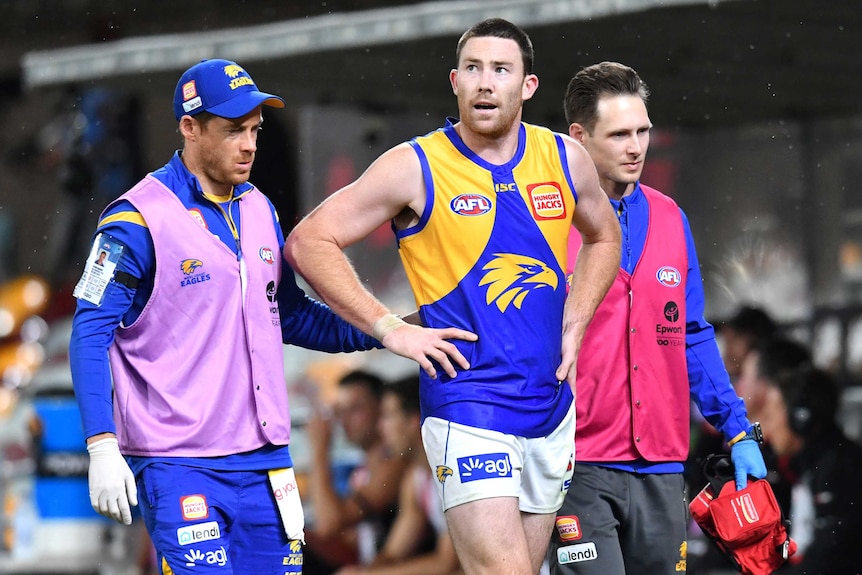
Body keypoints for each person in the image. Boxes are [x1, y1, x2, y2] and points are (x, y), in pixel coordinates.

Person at [285, 18, 621, 575]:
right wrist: (389, 327)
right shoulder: (415, 165)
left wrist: (577, 319)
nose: (486, 83)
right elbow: (309, 241)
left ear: (527, 87)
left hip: (551, 406)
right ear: (455, 82)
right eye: (473, 69)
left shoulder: (565, 158)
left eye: (500, 70)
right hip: (467, 403)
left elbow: (605, 236)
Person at [68, 59, 392, 574]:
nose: (249, 145)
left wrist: (389, 330)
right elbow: (88, 332)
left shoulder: (260, 207)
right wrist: (101, 444)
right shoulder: (133, 220)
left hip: (267, 463)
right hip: (179, 464)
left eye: (256, 131)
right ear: (189, 128)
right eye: (234, 130)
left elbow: (291, 316)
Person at [548, 61, 767, 575]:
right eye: (619, 134)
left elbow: (691, 334)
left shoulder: (671, 216)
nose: (636, 147)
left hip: (664, 470)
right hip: (577, 466)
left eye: (643, 130)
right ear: (578, 137)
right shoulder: (546, 221)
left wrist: (737, 431)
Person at [336, 374, 461, 575]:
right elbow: (393, 553)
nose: (380, 427)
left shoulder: (451, 473)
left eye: (387, 416)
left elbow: (446, 564)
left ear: (414, 421)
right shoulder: (417, 478)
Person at [304, 370, 409, 573]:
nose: (344, 420)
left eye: (355, 409)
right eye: (340, 411)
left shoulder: (395, 463)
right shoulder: (362, 470)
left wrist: (319, 450)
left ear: (381, 409)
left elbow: (328, 524)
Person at [761, 366, 862, 574]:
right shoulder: (798, 467)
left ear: (800, 418)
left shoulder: (840, 469)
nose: (767, 427)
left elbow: (829, 559)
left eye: (772, 414)